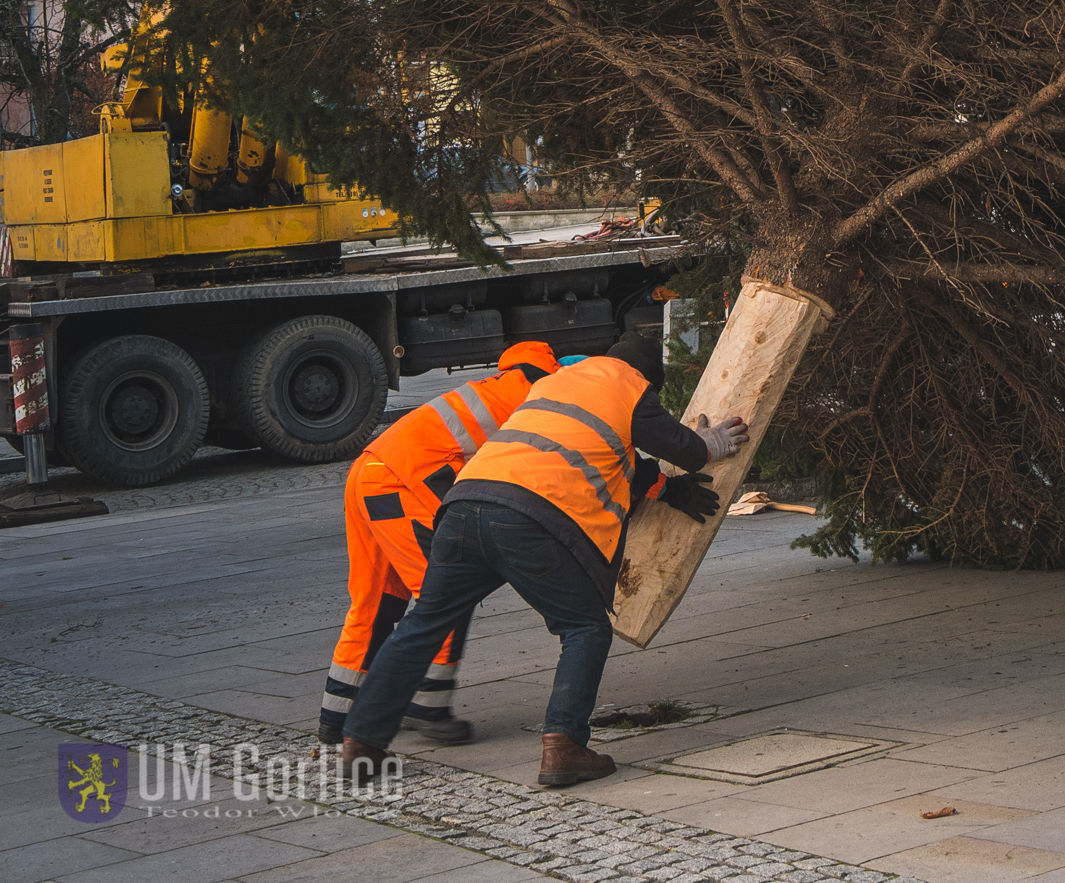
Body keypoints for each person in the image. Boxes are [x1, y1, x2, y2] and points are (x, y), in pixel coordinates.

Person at [340, 329, 748, 787]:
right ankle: (564, 747)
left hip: (463, 505)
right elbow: (686, 450)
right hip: (530, 519)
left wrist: (668, 490)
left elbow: (606, 456)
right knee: (584, 627)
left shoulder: (555, 384)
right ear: (649, 379)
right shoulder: (631, 388)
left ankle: (362, 741)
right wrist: (712, 441)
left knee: (425, 623)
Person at [319, 338, 562, 746]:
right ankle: (427, 706)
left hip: (368, 472)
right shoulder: (539, 396)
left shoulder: (496, 387)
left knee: (377, 600)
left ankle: (337, 714)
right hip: (399, 482)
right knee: (445, 593)